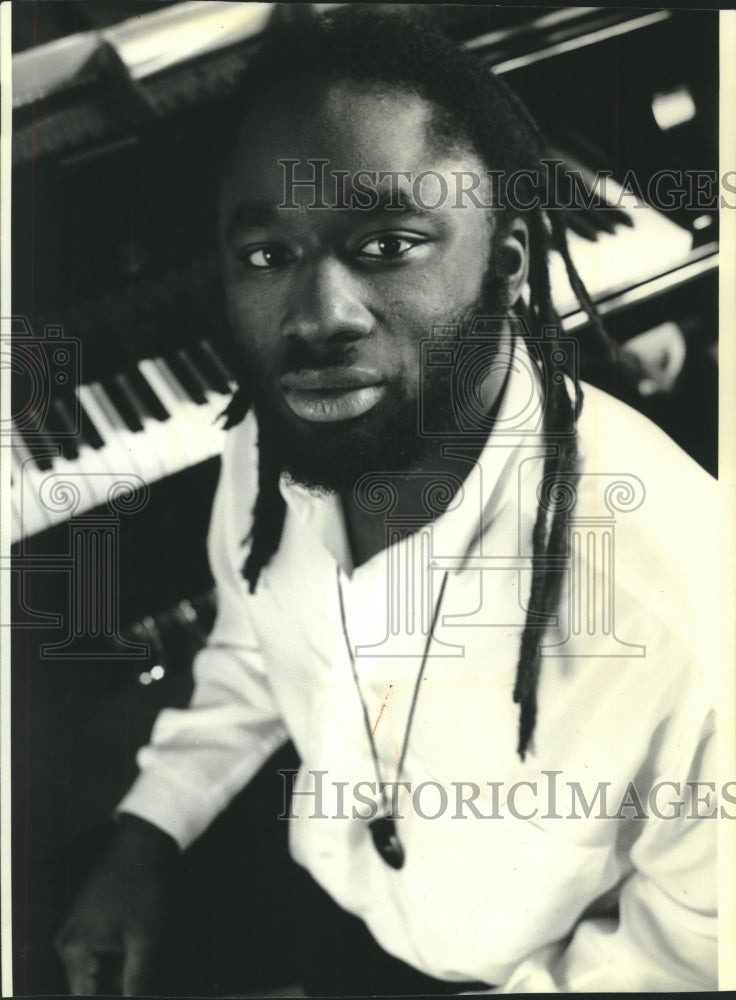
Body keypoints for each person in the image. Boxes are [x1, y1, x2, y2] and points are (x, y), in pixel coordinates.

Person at [55, 7, 719, 995]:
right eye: (268, 255)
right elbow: (253, 640)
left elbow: (698, 951)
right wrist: (151, 825)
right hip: (323, 876)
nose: (316, 316)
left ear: (506, 263)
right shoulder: (269, 445)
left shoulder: (686, 627)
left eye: (388, 242)